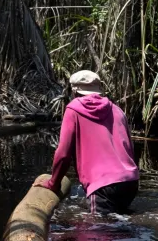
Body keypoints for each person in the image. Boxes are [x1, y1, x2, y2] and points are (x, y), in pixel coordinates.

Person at [41, 70, 139, 214]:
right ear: (99, 89)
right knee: (119, 225)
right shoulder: (118, 110)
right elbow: (130, 150)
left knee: (95, 231)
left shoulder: (73, 110)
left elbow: (63, 154)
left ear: (74, 92)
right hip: (130, 182)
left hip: (102, 186)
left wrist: (53, 183)